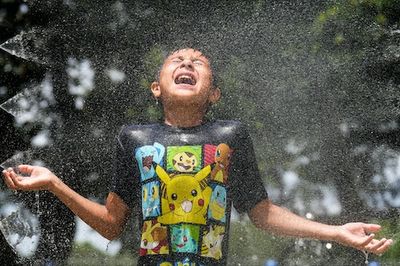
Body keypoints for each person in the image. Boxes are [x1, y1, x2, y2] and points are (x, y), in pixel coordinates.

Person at [2, 48, 393, 265]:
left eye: (199, 62)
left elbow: (262, 213)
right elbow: (110, 225)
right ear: (156, 88)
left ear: (214, 94)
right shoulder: (134, 138)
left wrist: (336, 232)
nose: (187, 62)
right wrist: (53, 183)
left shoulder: (229, 136)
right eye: (177, 60)